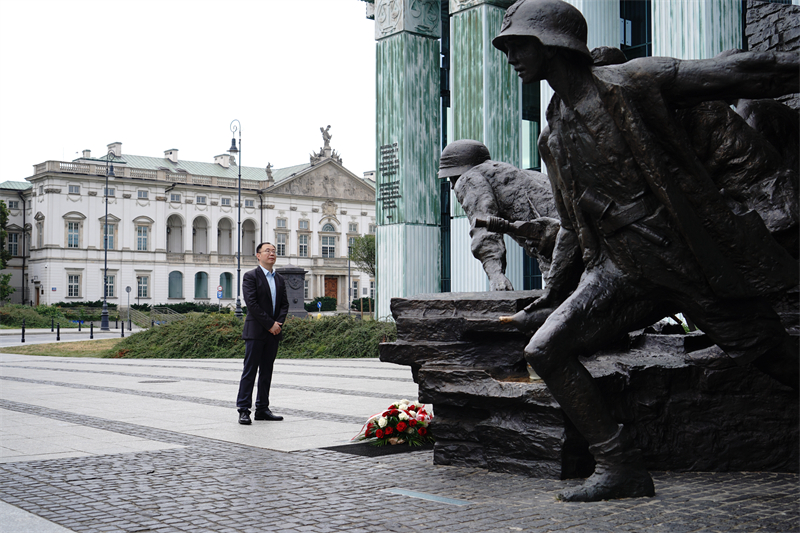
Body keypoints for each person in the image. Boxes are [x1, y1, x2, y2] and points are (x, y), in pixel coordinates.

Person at [491, 0, 799, 502]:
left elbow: (744, 72)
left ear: (553, 43)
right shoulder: (553, 135)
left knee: (774, 359)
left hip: (684, 257)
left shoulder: (630, 82)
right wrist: (552, 294)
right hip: (618, 266)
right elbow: (571, 226)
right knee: (546, 349)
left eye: (519, 45)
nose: (512, 58)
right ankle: (620, 467)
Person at [438, 139, 564, 290]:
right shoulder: (523, 175)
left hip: (557, 245)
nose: (452, 186)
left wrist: (496, 275)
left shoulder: (468, 179)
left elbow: (484, 230)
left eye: (452, 177)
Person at [236, 242, 290, 424]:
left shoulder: (280, 279)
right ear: (258, 255)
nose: (272, 253)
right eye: (268, 251)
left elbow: (284, 304)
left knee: (267, 371)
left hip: (273, 332)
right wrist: (270, 324)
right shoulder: (250, 276)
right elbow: (252, 304)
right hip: (256, 332)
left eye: (274, 251)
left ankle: (262, 408)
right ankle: (244, 409)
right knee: (250, 371)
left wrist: (278, 324)